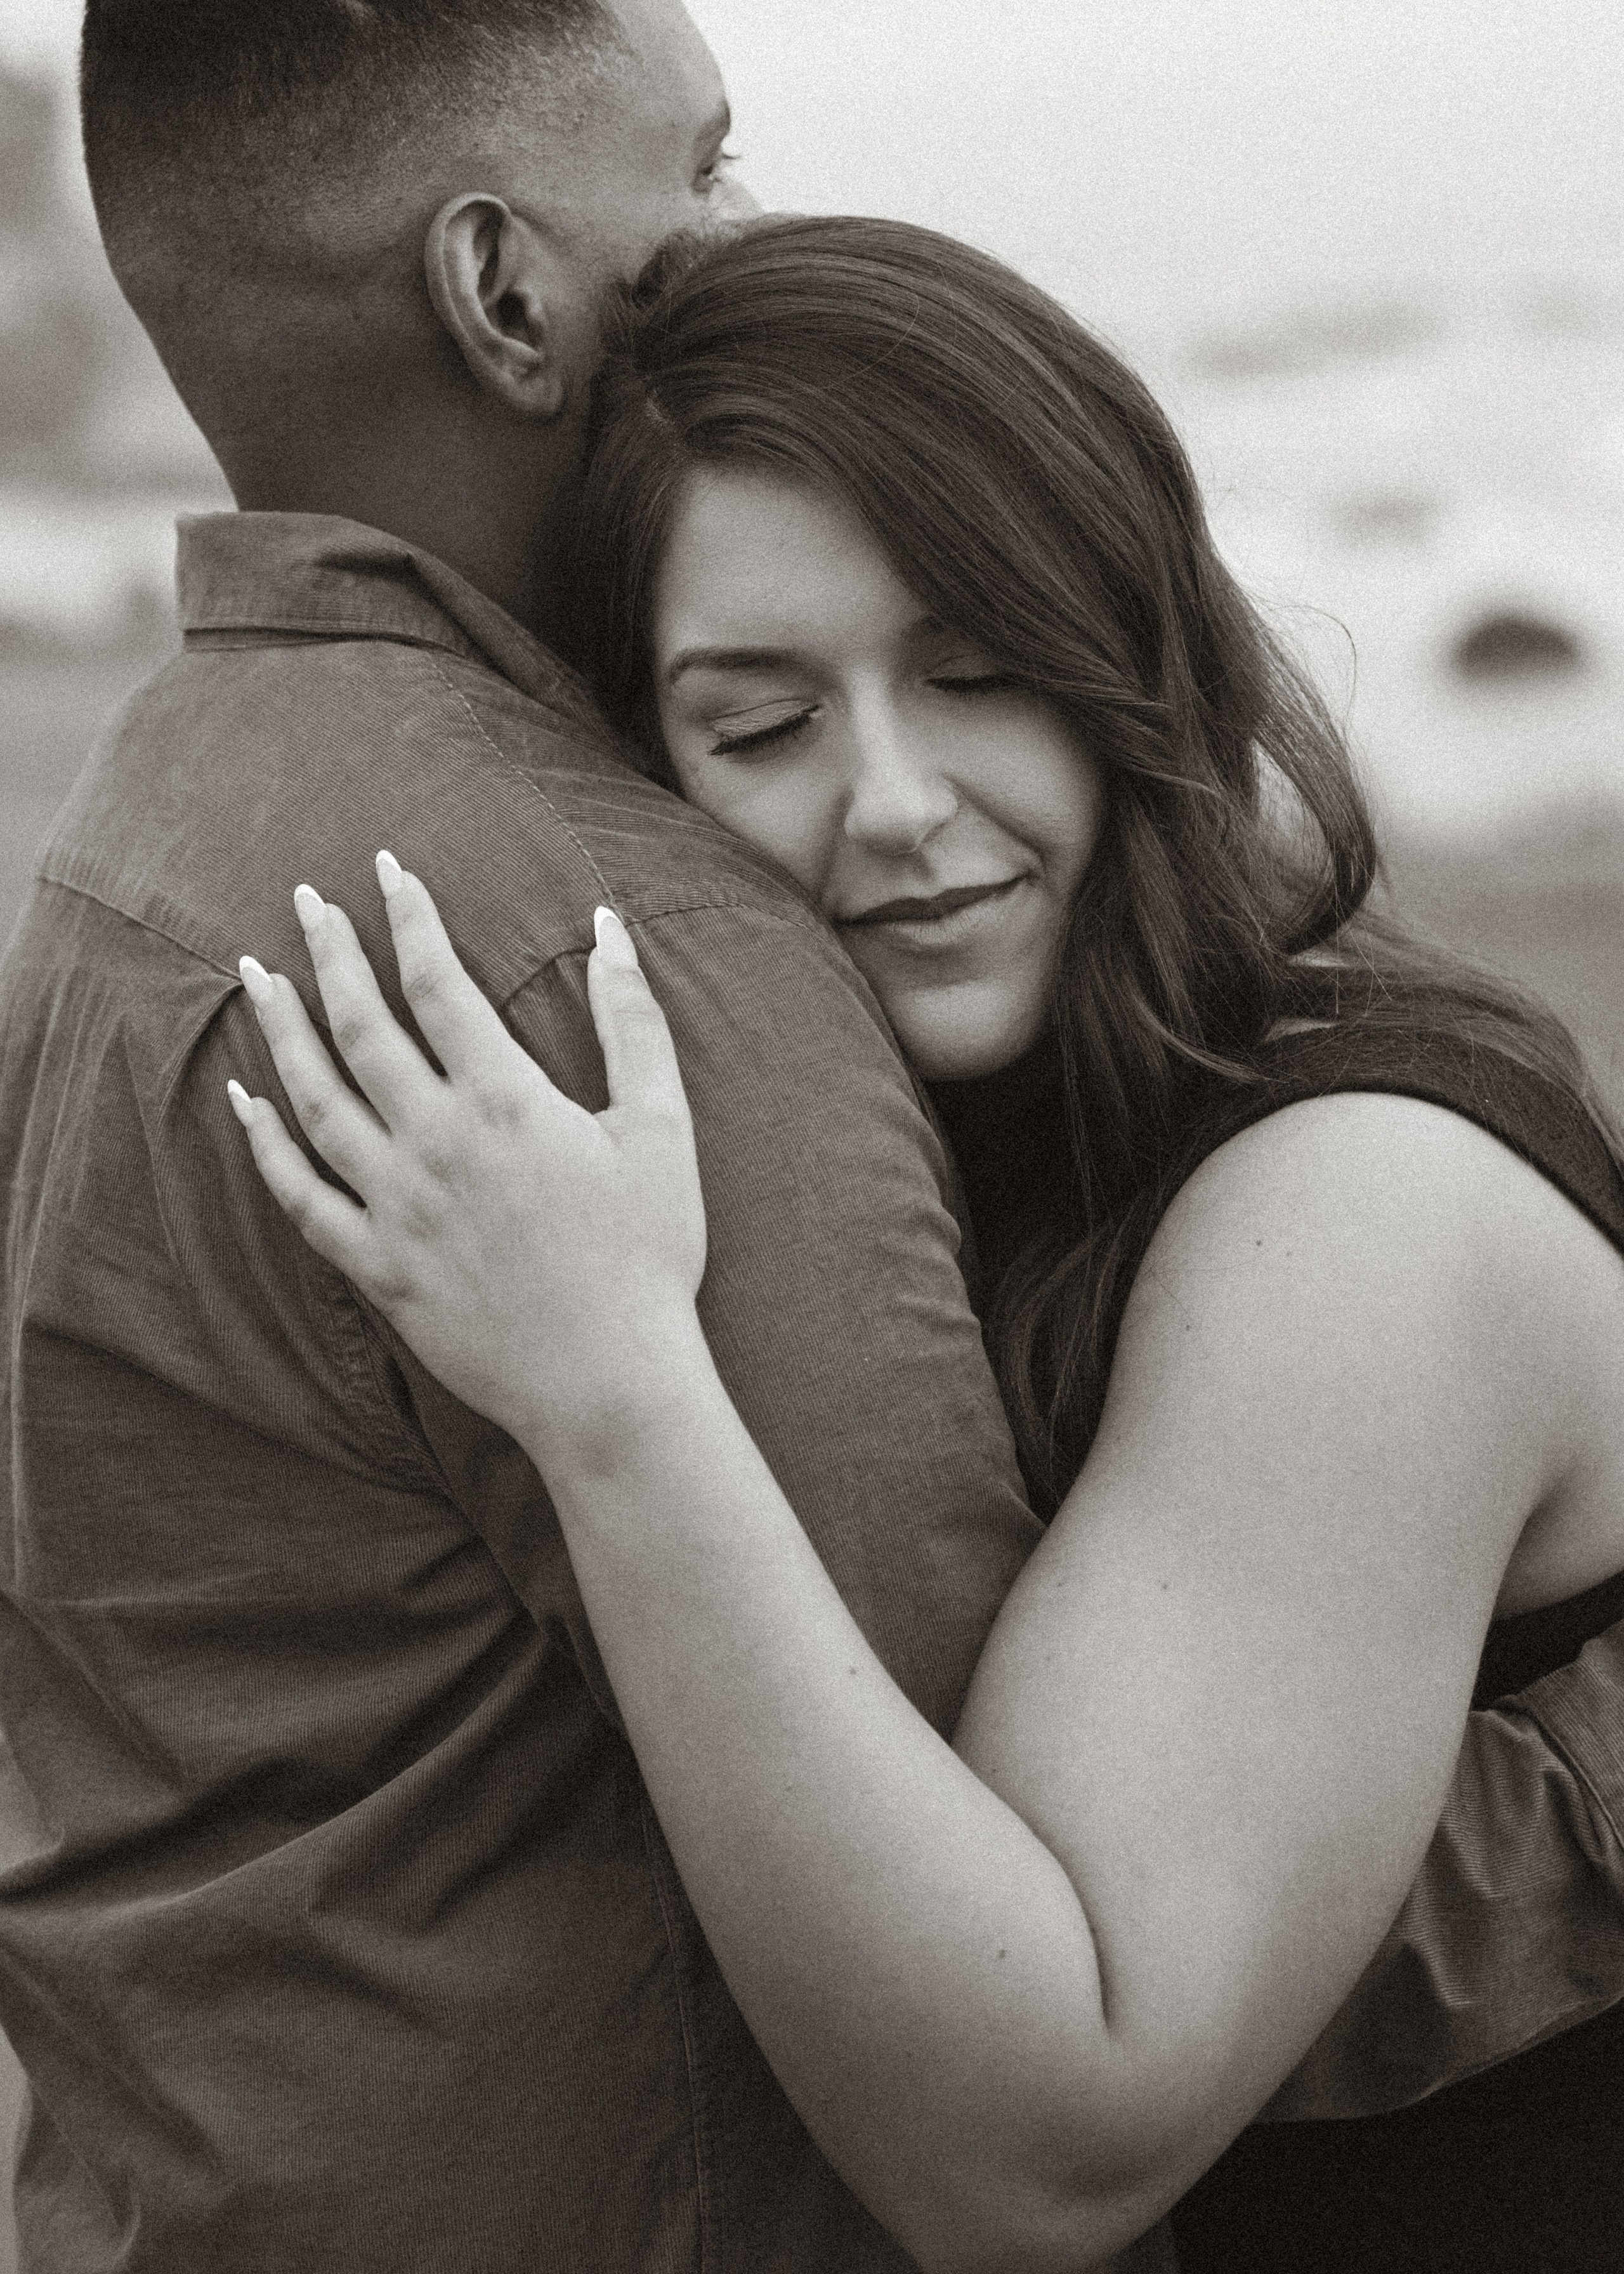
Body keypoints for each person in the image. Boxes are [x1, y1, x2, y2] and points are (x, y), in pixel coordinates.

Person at [0, 8, 1615, 2270]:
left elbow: (1055, 2068)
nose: (896, 805)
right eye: (759, 719)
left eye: (983, 670)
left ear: (1129, 661)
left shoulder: (1361, 1206)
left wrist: (620, 1399)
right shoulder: (667, 985)